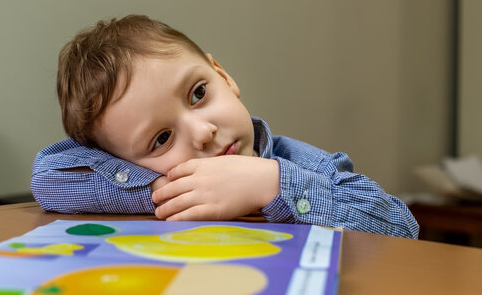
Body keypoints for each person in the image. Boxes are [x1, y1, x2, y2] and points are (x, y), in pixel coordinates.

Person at [31, 15, 419, 239]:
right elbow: (47, 175)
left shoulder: (297, 163)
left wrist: (271, 184)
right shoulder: (151, 181)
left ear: (223, 76)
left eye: (198, 93)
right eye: (162, 139)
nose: (202, 132)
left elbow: (402, 228)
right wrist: (164, 191)